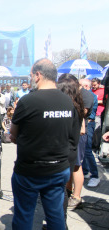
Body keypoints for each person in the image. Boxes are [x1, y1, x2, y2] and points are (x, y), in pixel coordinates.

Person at [10, 58, 76, 230]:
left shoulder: (27, 101)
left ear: (38, 75)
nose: (31, 78)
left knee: (24, 217)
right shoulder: (68, 101)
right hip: (58, 168)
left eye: (31, 75)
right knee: (56, 217)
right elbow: (71, 134)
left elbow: (13, 133)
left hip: (29, 171)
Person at [57, 74, 85, 227]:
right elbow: (81, 130)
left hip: (60, 153)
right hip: (70, 152)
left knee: (58, 191)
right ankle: (61, 222)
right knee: (62, 188)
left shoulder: (63, 107)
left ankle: (60, 223)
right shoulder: (78, 105)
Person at [80, 79, 100, 188]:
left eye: (80, 86)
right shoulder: (85, 96)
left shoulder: (90, 96)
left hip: (89, 124)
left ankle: (95, 176)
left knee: (87, 150)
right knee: (83, 149)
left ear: (86, 86)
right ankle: (86, 171)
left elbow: (86, 112)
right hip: (86, 123)